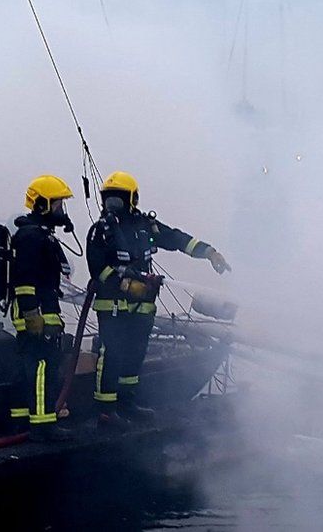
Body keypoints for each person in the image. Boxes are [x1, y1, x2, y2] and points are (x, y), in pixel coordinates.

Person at [87, 171, 230, 428]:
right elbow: (98, 268)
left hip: (143, 307)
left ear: (133, 199)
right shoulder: (102, 230)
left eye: (118, 200)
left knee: (135, 355)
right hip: (115, 307)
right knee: (112, 356)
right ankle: (107, 412)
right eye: (109, 200)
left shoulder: (145, 227)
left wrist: (209, 252)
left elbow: (176, 239)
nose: (112, 206)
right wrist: (125, 284)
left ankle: (127, 403)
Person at [10, 174, 76, 442]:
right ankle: (42, 426)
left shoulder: (40, 235)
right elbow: (24, 279)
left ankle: (21, 421)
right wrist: (31, 314)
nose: (61, 210)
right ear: (42, 205)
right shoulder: (30, 237)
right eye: (58, 204)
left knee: (28, 366)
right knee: (42, 368)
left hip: (42, 309)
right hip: (36, 312)